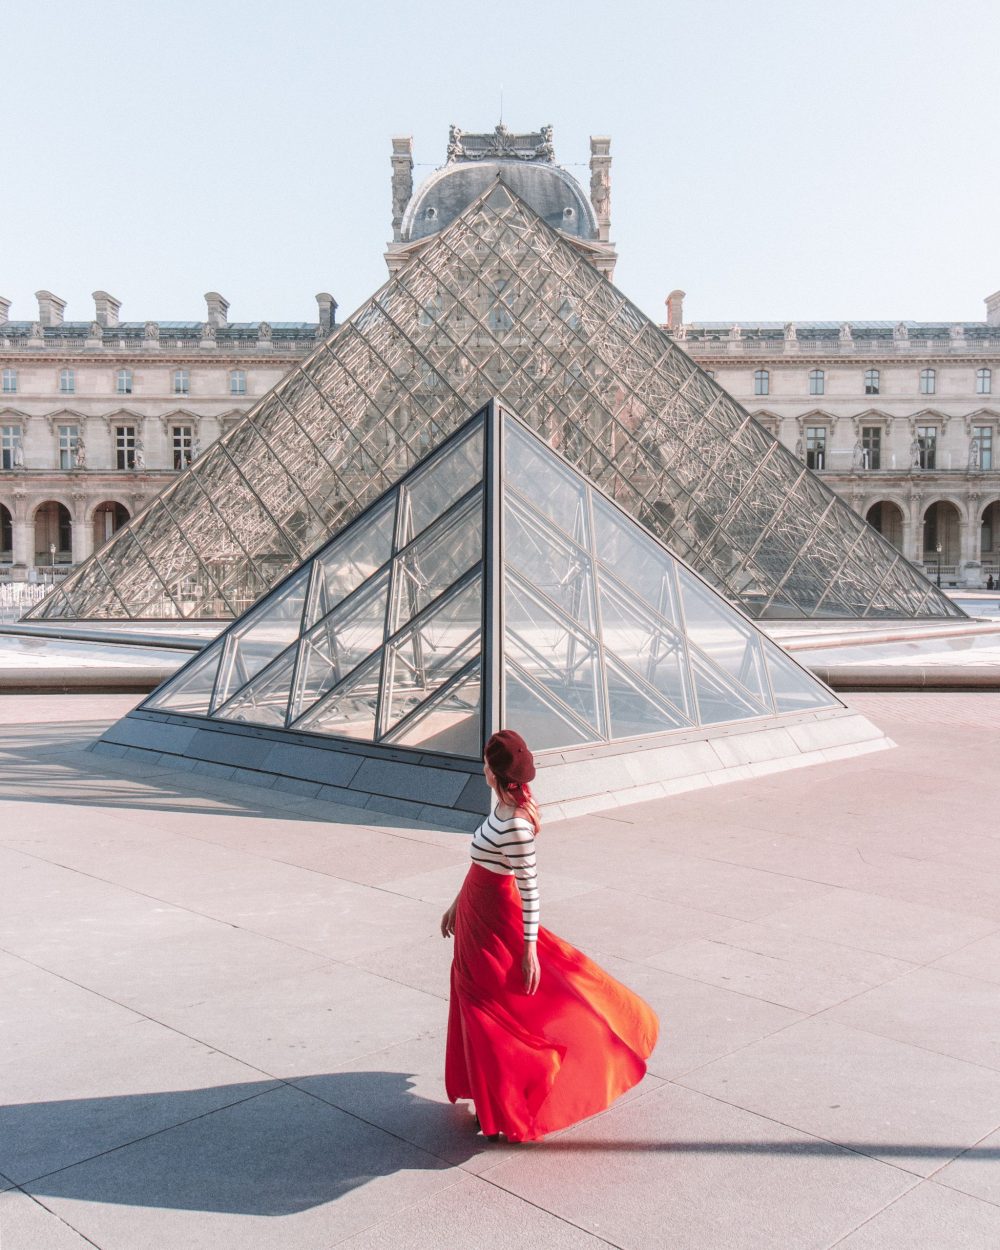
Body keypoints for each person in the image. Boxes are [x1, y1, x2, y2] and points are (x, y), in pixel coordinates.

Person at [441, 728, 659, 1143]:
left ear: (494, 772)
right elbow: (481, 863)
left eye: (486, 762)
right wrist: (456, 903)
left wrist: (529, 949)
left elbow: (530, 889)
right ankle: (493, 1100)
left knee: (484, 1007)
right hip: (474, 911)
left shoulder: (518, 827)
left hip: (494, 921)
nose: (482, 767)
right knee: (473, 1001)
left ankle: (511, 1099)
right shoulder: (504, 808)